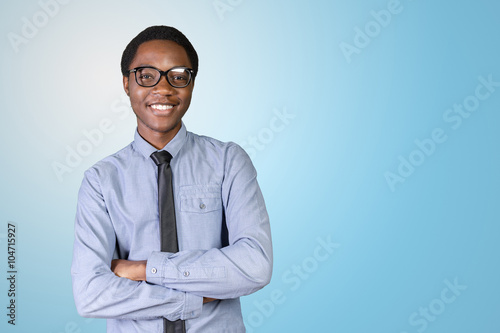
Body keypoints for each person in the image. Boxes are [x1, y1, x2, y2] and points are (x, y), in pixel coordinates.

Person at [71, 25, 273, 332]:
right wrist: (195, 297)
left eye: (178, 76)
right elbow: (91, 295)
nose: (163, 88)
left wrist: (144, 269)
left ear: (191, 84)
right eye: (146, 75)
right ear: (127, 83)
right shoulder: (101, 180)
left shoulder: (229, 161)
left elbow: (255, 266)